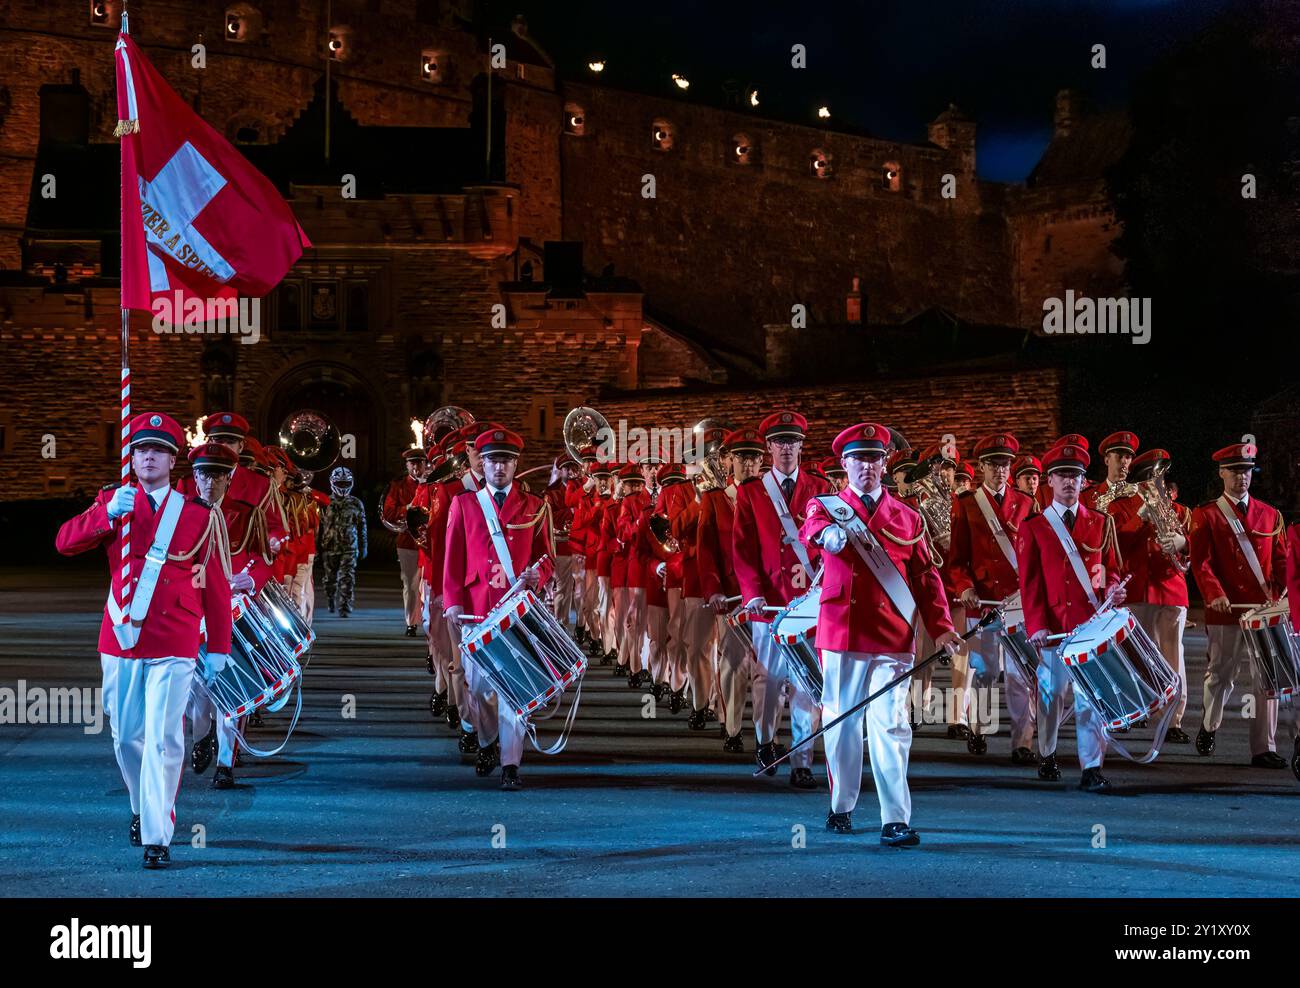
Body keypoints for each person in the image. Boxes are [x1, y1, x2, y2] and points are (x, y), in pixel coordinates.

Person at [55, 412, 233, 869]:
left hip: (173, 637)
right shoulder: (115, 502)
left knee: (163, 739)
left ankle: (158, 834)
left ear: (173, 460)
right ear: (130, 458)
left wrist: (218, 646)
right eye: (139, 450)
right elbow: (63, 543)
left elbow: (215, 583)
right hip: (120, 638)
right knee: (126, 736)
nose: (147, 456)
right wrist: (103, 515)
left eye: (156, 450)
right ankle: (138, 804)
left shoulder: (197, 514)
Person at [800, 422, 960, 845]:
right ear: (844, 464)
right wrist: (827, 535)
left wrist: (942, 629)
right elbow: (809, 529)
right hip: (843, 632)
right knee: (842, 723)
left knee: (890, 724)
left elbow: (926, 577)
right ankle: (842, 806)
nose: (867, 467)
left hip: (892, 634)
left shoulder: (908, 516)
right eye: (859, 459)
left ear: (885, 463)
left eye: (874, 458)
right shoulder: (826, 506)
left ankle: (895, 818)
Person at [442, 427, 555, 789]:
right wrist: (453, 601)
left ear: (515, 464)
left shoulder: (535, 506)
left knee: (514, 688)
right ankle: (488, 741)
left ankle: (510, 764)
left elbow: (547, 556)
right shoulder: (464, 504)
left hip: (518, 610)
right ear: (483, 463)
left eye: (505, 461)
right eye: (492, 461)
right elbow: (453, 559)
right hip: (478, 607)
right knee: (478, 689)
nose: (499, 468)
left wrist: (539, 573)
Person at [1017, 442, 1125, 793]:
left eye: (1075, 476)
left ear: (1083, 481)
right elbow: (1029, 581)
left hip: (1090, 625)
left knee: (1090, 698)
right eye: (1062, 476)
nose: (1069, 482)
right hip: (1052, 627)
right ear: (1050, 480)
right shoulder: (1034, 526)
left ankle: (1091, 766)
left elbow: (1111, 568)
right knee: (1051, 696)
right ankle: (1047, 752)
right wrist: (1036, 625)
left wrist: (1114, 589)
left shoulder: (1100, 522)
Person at [732, 410, 831, 788]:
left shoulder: (821, 489)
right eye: (780, 442)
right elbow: (743, 548)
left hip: (808, 600)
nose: (787, 448)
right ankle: (766, 740)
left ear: (801, 447)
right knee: (769, 679)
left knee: (807, 681)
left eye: (793, 442)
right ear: (769, 448)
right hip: (768, 602)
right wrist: (752, 593)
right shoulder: (751, 492)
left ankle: (802, 759)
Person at [1189, 441, 1289, 768]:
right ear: (1222, 473)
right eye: (1234, 471)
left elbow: (1280, 560)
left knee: (1267, 678)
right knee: (1220, 675)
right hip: (1226, 610)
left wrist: (1283, 593)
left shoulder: (1270, 514)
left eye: (1246, 471)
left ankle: (1264, 746)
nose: (1241, 478)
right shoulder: (1207, 515)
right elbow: (1201, 562)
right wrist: (1213, 592)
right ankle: (1209, 725)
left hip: (1261, 610)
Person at [946, 433, 1038, 762]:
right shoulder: (967, 504)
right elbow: (957, 559)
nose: (1000, 470)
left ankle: (1022, 742)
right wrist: (964, 587)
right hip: (982, 601)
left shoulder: (1026, 503)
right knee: (983, 671)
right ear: (982, 467)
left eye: (1005, 464)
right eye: (994, 464)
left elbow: (1033, 557)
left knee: (1018, 675)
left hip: (1016, 602)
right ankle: (979, 727)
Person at [1108, 448, 1193, 744]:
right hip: (1137, 590)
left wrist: (1184, 543)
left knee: (1173, 656)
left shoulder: (1179, 510)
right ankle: (1138, 709)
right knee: (1138, 657)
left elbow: (1193, 549)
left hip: (1171, 590)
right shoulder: (1120, 507)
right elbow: (1114, 543)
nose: (1154, 484)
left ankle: (1172, 719)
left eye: (1158, 477)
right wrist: (1139, 517)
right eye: (1149, 478)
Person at [698, 427, 763, 752]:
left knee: (768, 672)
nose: (748, 465)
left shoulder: (770, 499)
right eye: (741, 458)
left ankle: (768, 737)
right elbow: (706, 549)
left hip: (766, 598)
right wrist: (713, 589)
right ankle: (734, 729)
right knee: (734, 663)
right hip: (732, 594)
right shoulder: (714, 500)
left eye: (753, 458)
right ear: (729, 462)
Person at [382, 448, 427, 636]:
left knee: (428, 584)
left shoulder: (433, 483)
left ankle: (427, 618)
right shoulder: (398, 486)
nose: (416, 467)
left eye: (419, 463)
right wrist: (407, 509)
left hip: (429, 543)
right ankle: (411, 622)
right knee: (410, 583)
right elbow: (388, 513)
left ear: (425, 464)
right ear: (407, 465)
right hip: (407, 541)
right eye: (412, 463)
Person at [320, 466, 368, 617]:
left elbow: (362, 527)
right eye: (339, 484)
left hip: (349, 547)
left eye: (345, 484)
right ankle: (330, 599)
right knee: (330, 579)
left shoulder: (356, 503)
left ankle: (345, 607)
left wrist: (363, 546)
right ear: (333, 483)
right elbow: (318, 527)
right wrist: (315, 547)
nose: (342, 487)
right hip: (329, 546)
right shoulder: (324, 503)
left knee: (347, 577)